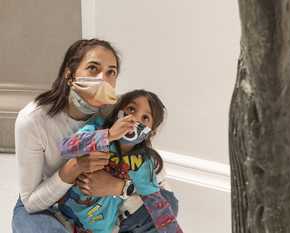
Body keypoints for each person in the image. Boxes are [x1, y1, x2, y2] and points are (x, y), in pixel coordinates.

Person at [11, 39, 179, 233]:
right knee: (34, 224)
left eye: (111, 72)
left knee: (167, 202)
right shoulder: (33, 120)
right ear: (69, 74)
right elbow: (31, 203)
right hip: (50, 205)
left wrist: (120, 187)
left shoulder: (117, 110)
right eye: (93, 68)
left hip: (102, 211)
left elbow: (152, 178)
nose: (103, 80)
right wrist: (75, 167)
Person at [58, 89, 182, 233]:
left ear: (150, 132)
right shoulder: (98, 128)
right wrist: (109, 135)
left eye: (145, 118)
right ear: (118, 111)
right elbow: (66, 147)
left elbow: (157, 206)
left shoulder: (143, 162)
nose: (135, 118)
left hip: (99, 227)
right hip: (66, 213)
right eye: (131, 109)